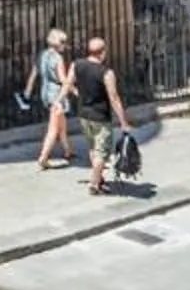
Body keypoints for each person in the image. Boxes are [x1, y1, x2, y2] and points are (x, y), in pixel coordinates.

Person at [69, 35, 133, 196]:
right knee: (102, 152)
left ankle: (99, 178)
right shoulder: (106, 73)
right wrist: (124, 122)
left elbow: (68, 83)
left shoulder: (77, 65)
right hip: (100, 116)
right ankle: (94, 183)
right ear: (102, 53)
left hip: (84, 114)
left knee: (93, 147)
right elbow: (114, 98)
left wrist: (78, 94)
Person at [30, 27, 76, 169]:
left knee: (61, 125)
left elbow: (35, 72)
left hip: (46, 91)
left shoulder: (43, 55)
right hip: (57, 94)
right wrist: (74, 89)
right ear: (57, 43)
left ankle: (68, 150)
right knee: (54, 128)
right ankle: (43, 157)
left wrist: (28, 90)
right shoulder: (57, 58)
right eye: (63, 42)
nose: (65, 45)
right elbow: (63, 79)